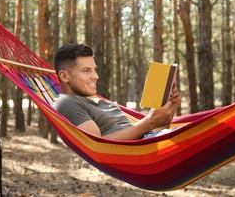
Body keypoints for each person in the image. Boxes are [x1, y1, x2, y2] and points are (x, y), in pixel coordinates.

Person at [53, 43, 181, 140]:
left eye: (94, 69)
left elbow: (147, 136)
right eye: (86, 70)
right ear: (64, 76)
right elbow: (97, 145)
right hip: (140, 150)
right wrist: (150, 121)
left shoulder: (93, 99)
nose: (96, 76)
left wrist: (170, 110)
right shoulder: (66, 102)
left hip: (150, 143)